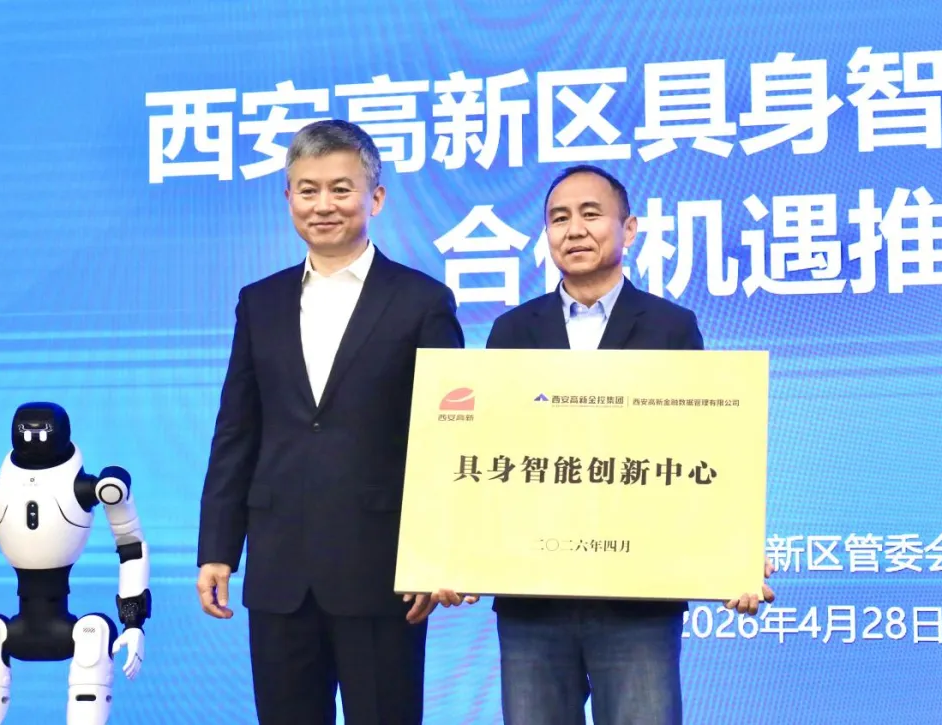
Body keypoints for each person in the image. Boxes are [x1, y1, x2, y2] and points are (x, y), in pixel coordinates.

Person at [480, 164, 775, 725]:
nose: (574, 230)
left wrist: (732, 551)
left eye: (591, 214)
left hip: (638, 596)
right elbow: (486, 454)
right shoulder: (512, 331)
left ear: (629, 229)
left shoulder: (670, 327)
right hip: (532, 596)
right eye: (558, 219)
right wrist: (450, 553)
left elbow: (701, 450)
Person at [195, 119, 465, 725]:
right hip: (279, 571)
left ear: (376, 198)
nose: (323, 205)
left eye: (341, 189)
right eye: (308, 189)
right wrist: (217, 547)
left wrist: (436, 554)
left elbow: (447, 439)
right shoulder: (259, 302)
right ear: (288, 197)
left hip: (381, 569)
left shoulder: (421, 301)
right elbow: (236, 430)